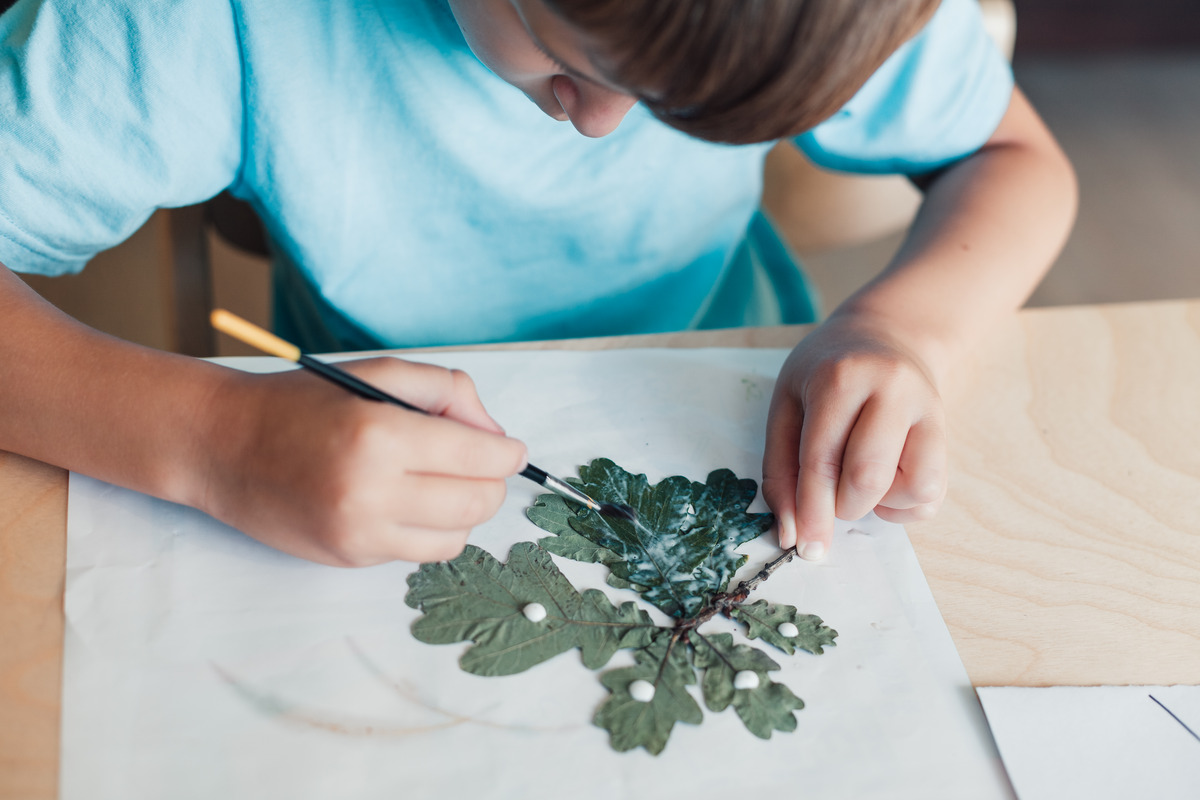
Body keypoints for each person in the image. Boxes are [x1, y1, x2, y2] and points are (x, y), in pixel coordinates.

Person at [0, 0, 1076, 566]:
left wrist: (906, 331)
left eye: (673, 108)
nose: (604, 125)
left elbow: (1019, 165)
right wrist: (214, 441)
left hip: (727, 396)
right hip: (327, 452)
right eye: (570, 56)